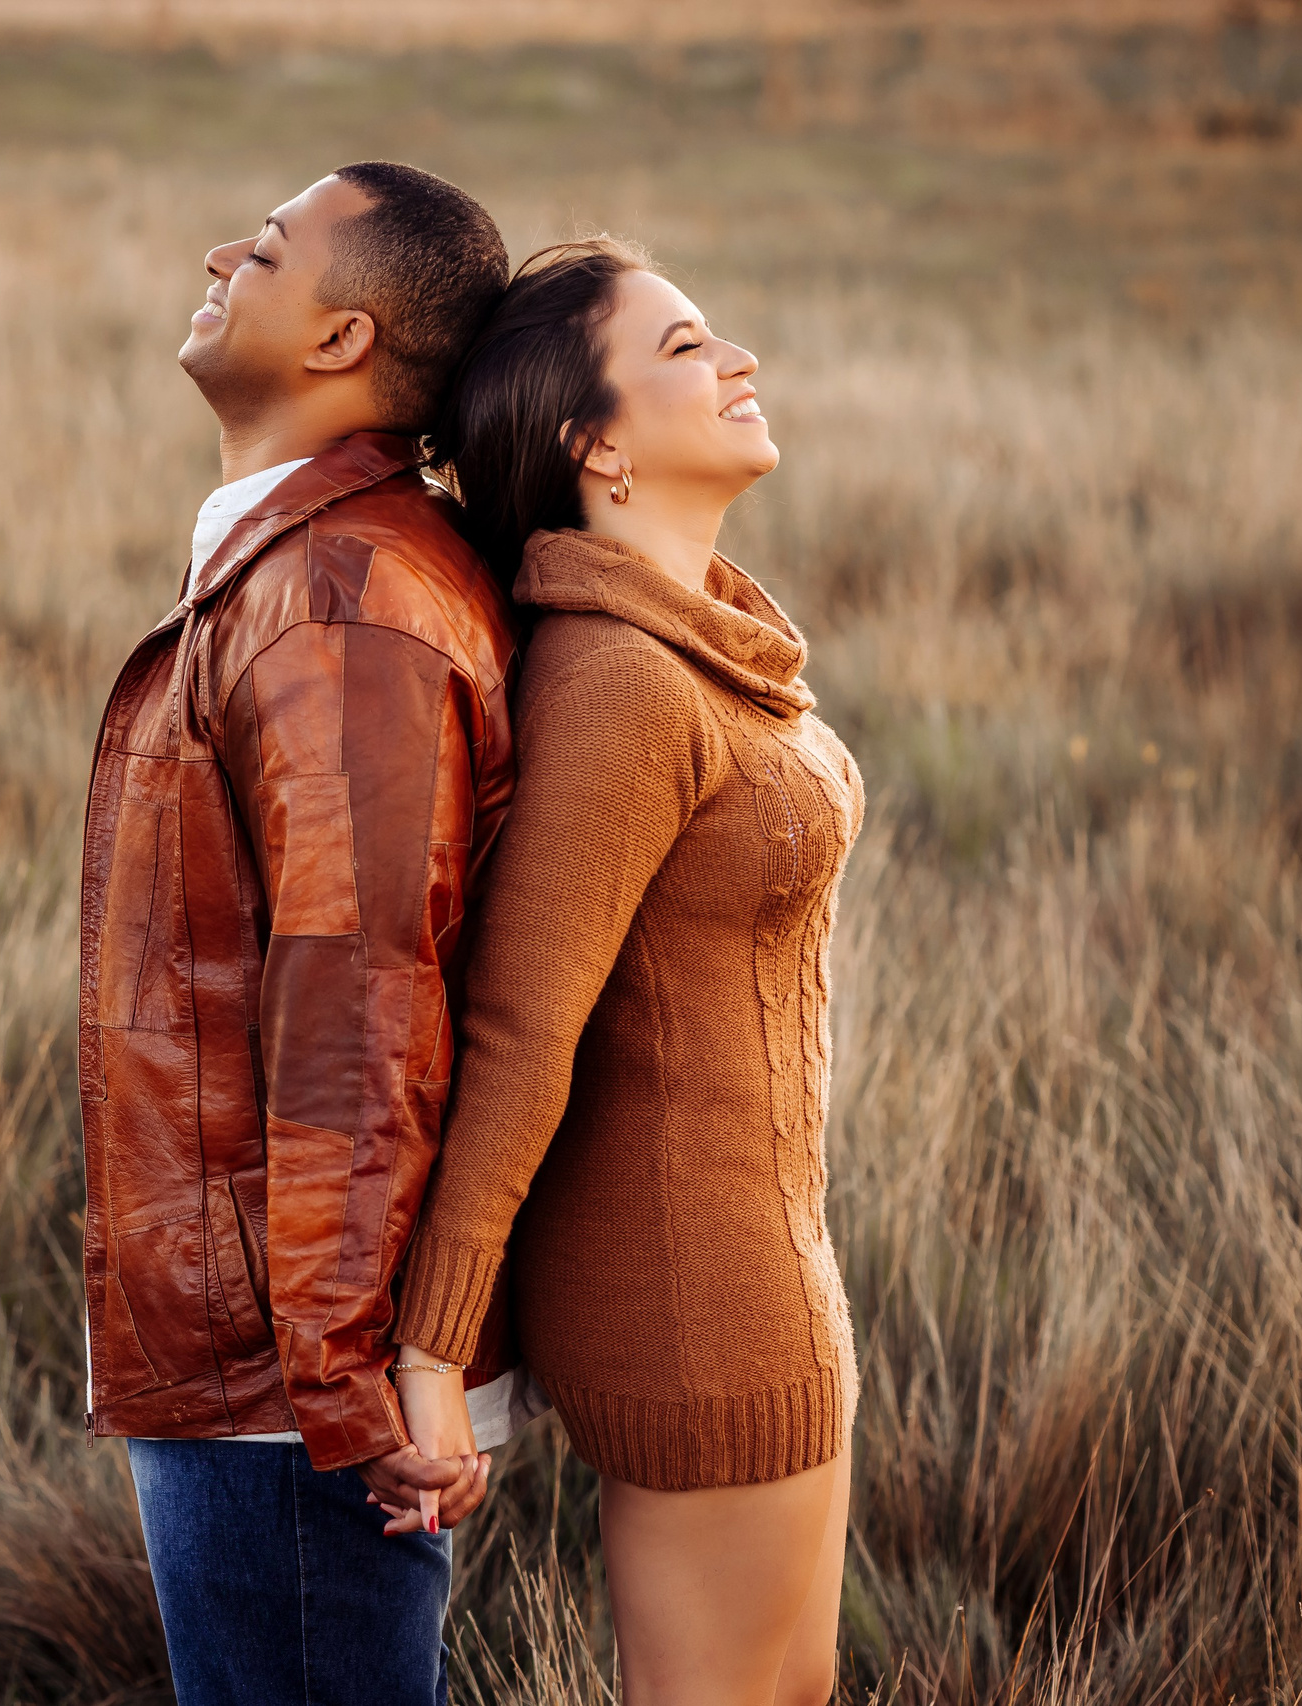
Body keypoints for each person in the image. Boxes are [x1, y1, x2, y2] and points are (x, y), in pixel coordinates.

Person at [75, 162, 545, 1706]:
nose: (222, 251)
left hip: (285, 1383)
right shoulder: (300, 564)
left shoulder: (341, 601)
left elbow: (360, 1014)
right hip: (271, 1347)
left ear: (345, 339)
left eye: (266, 248)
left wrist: (343, 1389)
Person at [392, 239, 867, 1706]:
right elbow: (521, 1028)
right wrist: (432, 1351)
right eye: (683, 348)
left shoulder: (704, 637)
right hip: (688, 1312)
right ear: (591, 442)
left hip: (775, 1282)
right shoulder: (618, 681)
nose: (738, 363)